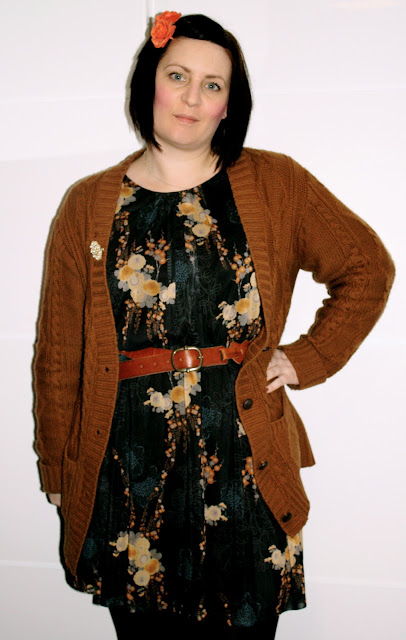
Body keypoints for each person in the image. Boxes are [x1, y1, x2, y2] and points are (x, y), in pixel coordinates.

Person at [33, 11, 395, 640]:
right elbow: (60, 355)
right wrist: (57, 472)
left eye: (213, 84)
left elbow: (367, 267)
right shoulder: (86, 204)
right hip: (129, 469)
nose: (192, 98)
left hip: (245, 462)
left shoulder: (276, 182)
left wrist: (306, 357)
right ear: (149, 82)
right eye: (177, 76)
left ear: (229, 104)